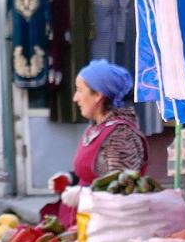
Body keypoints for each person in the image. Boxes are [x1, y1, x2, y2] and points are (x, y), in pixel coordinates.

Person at [45, 59, 147, 227]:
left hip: (106, 228)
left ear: (98, 95)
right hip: (86, 221)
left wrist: (83, 194)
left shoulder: (120, 134)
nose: (75, 98)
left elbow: (122, 189)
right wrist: (71, 177)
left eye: (79, 90)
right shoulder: (98, 127)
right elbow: (99, 173)